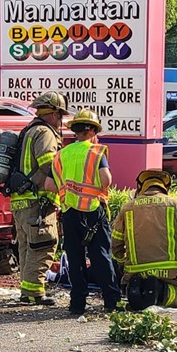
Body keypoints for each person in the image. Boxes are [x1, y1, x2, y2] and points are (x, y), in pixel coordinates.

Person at [44, 108, 121, 316]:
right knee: (101, 256)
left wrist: (68, 189)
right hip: (93, 211)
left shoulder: (61, 155)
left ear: (75, 131)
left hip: (69, 212)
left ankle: (77, 304)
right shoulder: (96, 152)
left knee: (75, 258)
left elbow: (49, 184)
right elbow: (106, 180)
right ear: (93, 131)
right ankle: (111, 301)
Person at [110, 169, 177, 310]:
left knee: (134, 289)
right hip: (171, 273)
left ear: (141, 187)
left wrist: (124, 263)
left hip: (135, 273)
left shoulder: (127, 208)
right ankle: (161, 292)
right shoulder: (176, 204)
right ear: (165, 187)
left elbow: (116, 244)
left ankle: (141, 293)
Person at [11, 91, 69, 306]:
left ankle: (28, 292)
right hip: (38, 201)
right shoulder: (44, 132)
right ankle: (34, 293)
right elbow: (49, 164)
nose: (61, 120)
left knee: (27, 247)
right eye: (60, 115)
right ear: (54, 114)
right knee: (44, 245)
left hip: (21, 201)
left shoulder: (28, 131)